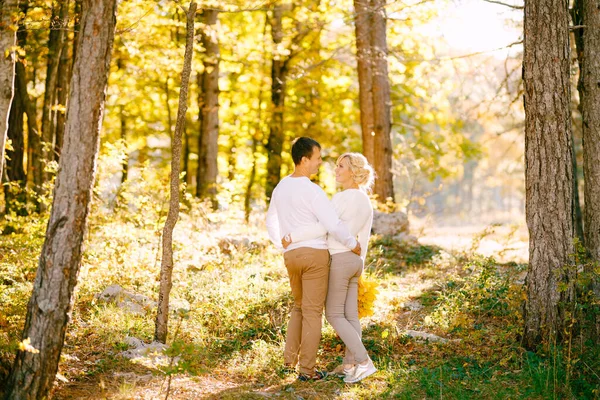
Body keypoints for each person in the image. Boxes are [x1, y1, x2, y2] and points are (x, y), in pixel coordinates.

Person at [266, 137, 361, 381]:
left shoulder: (281, 187)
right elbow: (332, 224)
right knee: (311, 313)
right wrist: (352, 243)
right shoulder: (312, 190)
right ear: (304, 159)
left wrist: (281, 244)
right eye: (317, 158)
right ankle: (307, 371)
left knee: (298, 308)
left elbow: (271, 220)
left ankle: (289, 362)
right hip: (314, 256)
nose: (320, 163)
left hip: (292, 256)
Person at [282, 152, 377, 383]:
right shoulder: (366, 201)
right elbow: (363, 238)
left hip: (340, 259)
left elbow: (323, 227)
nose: (336, 170)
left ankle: (364, 362)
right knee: (350, 316)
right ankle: (349, 365)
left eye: (341, 166)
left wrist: (293, 236)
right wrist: (360, 263)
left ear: (353, 172)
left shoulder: (342, 198)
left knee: (334, 314)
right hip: (355, 261)